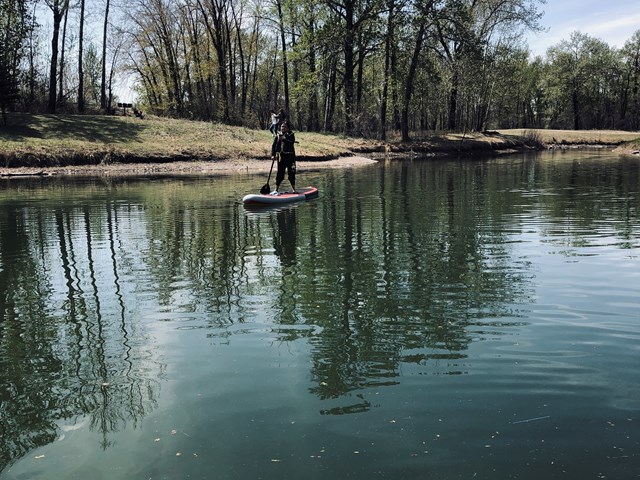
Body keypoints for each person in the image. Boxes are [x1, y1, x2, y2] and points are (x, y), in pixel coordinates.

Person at [270, 122, 296, 195]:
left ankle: (294, 189)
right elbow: (274, 145)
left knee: (292, 173)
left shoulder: (291, 135)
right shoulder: (278, 135)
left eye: (284, 127)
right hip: (281, 157)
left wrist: (283, 139)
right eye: (282, 126)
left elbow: (291, 142)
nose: (282, 128)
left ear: (287, 128)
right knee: (280, 173)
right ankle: (276, 190)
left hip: (290, 157)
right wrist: (273, 154)